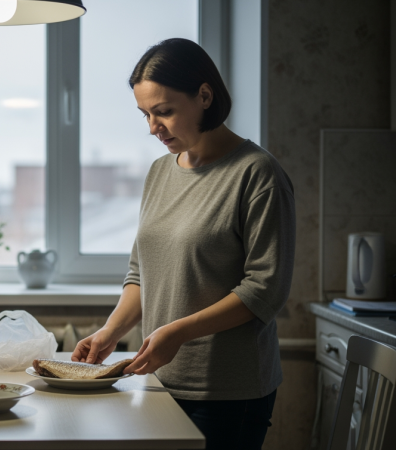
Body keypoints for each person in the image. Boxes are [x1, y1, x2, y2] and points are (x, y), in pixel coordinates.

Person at [71, 38, 295, 450]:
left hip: (228, 391)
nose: (153, 128)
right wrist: (110, 331)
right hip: (159, 381)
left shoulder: (257, 174)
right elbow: (142, 273)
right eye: (145, 115)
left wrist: (177, 332)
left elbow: (265, 289)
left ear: (205, 96)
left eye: (164, 112)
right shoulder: (159, 172)